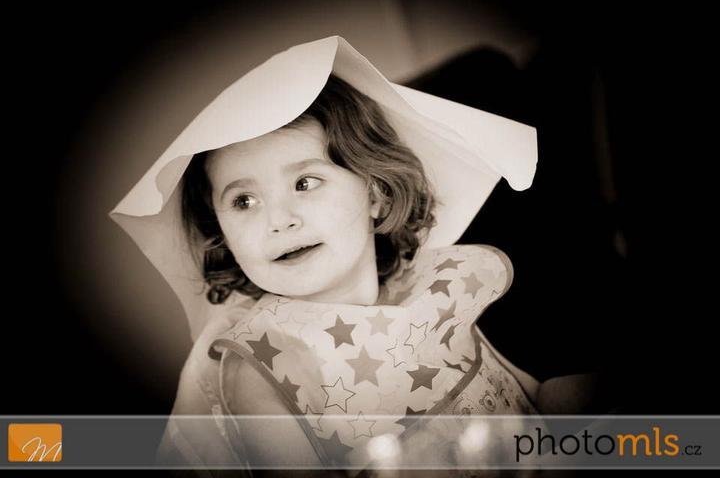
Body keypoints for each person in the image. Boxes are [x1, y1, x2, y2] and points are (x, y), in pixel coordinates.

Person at [110, 36, 539, 473]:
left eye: (305, 183)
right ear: (221, 232)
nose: (279, 220)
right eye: (244, 201)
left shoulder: (440, 288)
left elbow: (530, 398)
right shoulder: (265, 366)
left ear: (376, 194)